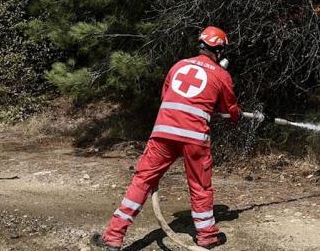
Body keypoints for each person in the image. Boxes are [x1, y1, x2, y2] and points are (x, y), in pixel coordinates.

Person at [91, 26, 242, 251]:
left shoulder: (178, 66)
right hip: (194, 138)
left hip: (163, 132)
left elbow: (167, 96)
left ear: (201, 45)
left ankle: (113, 236)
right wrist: (233, 113)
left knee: (142, 181)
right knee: (200, 186)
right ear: (219, 50)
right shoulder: (221, 75)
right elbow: (231, 112)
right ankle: (207, 237)